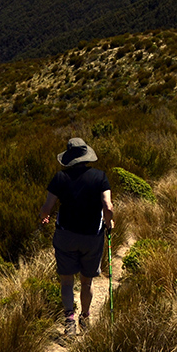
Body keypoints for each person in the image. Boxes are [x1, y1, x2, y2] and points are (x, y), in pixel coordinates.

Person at [38, 137, 113, 337]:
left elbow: (47, 207)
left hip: (66, 236)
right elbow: (108, 206)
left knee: (66, 282)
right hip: (91, 237)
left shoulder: (60, 178)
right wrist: (109, 222)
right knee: (86, 282)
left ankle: (69, 319)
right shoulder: (100, 177)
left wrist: (44, 217)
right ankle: (85, 317)